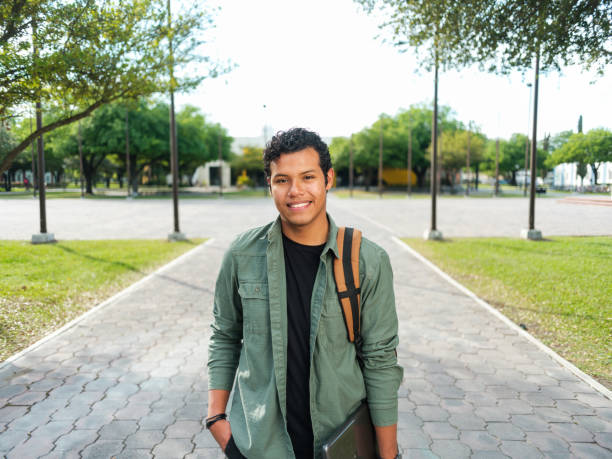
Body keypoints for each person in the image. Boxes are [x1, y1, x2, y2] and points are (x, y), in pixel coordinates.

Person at [207, 128, 403, 458]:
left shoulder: (367, 260)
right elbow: (225, 335)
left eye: (308, 177)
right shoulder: (242, 254)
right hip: (258, 446)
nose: (295, 191)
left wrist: (389, 456)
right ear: (269, 184)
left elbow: (380, 361)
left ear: (328, 179)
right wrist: (217, 420)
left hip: (339, 443)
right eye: (282, 180)